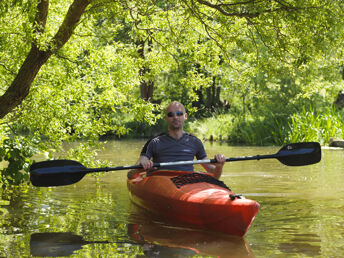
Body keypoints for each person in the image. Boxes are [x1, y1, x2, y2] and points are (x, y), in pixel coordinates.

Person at [128, 101, 226, 179]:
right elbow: (130, 174)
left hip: (187, 181)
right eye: (171, 114)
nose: (175, 117)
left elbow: (214, 176)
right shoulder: (154, 142)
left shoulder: (195, 142)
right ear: (166, 118)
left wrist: (219, 166)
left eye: (179, 114)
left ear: (185, 116)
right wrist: (141, 168)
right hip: (161, 182)